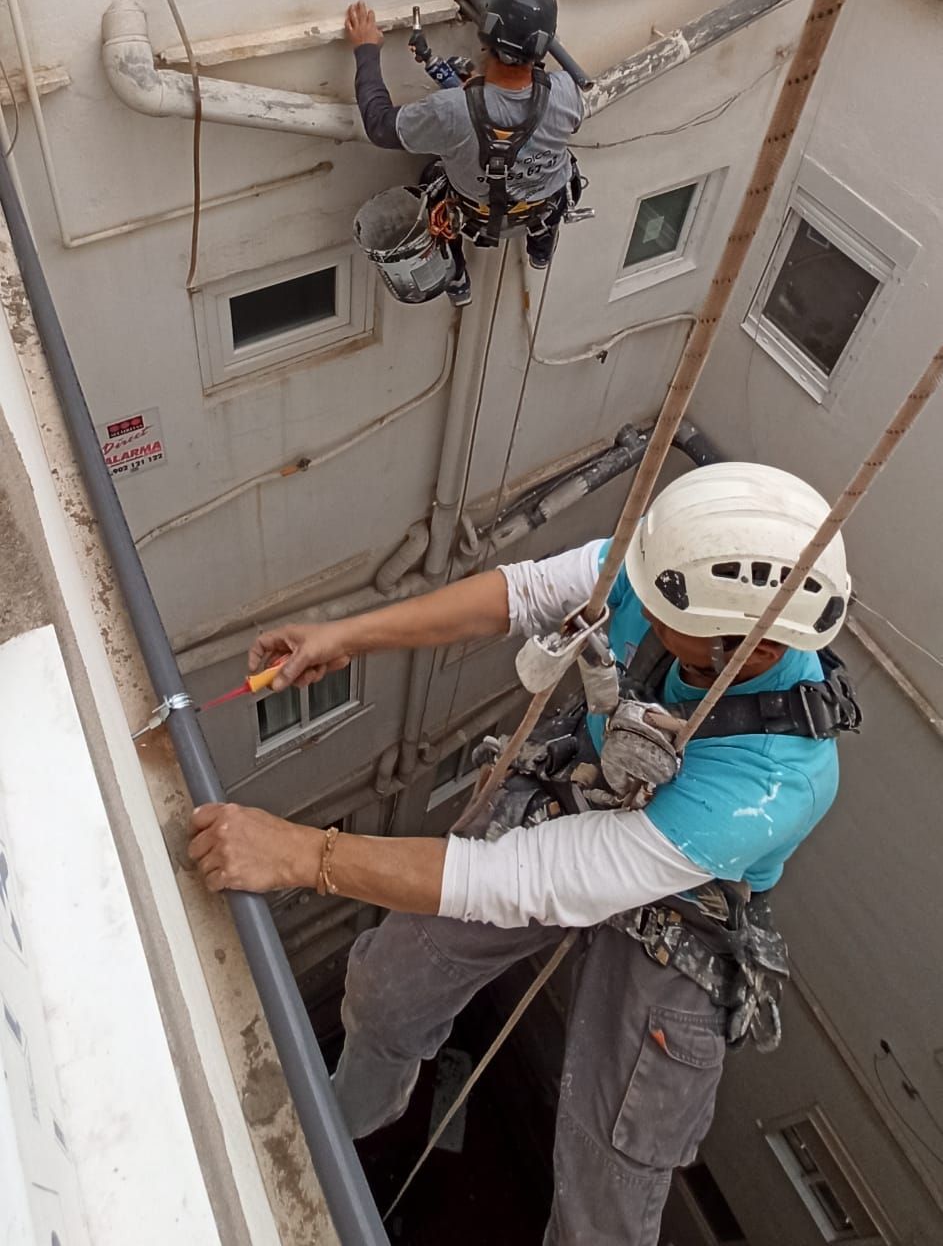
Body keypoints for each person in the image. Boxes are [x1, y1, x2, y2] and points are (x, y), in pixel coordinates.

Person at [188, 463, 859, 1246]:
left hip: (684, 903)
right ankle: (346, 1125)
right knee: (389, 985)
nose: (628, 597)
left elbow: (527, 882)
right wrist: (346, 634)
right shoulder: (673, 577)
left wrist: (305, 854)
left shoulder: (776, 778)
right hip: (590, 796)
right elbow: (527, 592)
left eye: (650, 600)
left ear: (741, 647)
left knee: (609, 1183)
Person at [345, 0, 584, 304]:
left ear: (487, 29)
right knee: (565, 175)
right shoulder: (567, 91)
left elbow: (380, 126)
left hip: (476, 212)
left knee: (432, 179)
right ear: (543, 45)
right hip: (543, 203)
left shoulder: (450, 111)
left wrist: (366, 50)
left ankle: (456, 278)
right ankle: (540, 249)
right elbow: (529, 109)